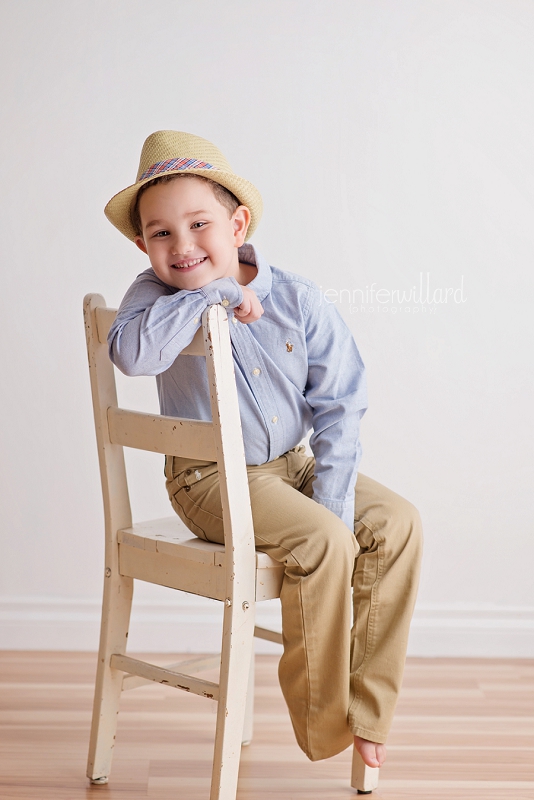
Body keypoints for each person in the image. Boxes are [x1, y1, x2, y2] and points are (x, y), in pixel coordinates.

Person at [105, 130, 422, 769]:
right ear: (142, 244)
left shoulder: (297, 298)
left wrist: (330, 499)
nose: (182, 245)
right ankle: (324, 723)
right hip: (209, 479)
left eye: (199, 224)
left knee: (396, 522)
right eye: (160, 233)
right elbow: (134, 355)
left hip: (294, 467)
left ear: (237, 222)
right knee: (323, 543)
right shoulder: (153, 296)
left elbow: (341, 404)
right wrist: (209, 295)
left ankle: (368, 711)